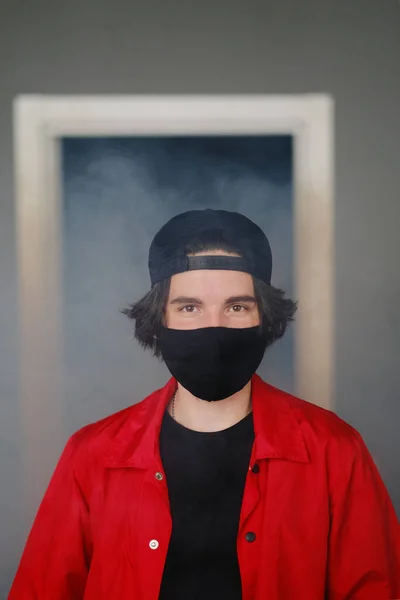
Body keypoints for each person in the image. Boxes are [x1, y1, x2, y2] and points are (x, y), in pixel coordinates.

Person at [9, 209, 400, 600]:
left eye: (236, 307)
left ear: (264, 317)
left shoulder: (334, 449)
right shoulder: (93, 455)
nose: (215, 327)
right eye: (189, 307)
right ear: (158, 319)